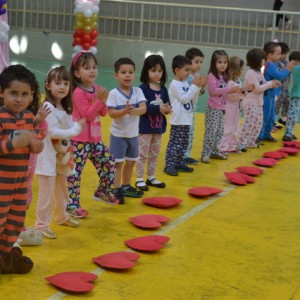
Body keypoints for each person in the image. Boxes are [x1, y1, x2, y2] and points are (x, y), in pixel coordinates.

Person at [35, 66, 85, 239]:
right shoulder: (48, 106)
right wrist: (76, 129)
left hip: (61, 158)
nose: (62, 87)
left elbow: (67, 129)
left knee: (62, 189)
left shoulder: (63, 108)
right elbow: (53, 132)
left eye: (66, 83)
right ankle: (41, 224)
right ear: (48, 86)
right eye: (58, 83)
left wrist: (76, 125)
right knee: (46, 193)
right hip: (47, 158)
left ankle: (62, 216)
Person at [67, 52, 119, 219]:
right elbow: (87, 116)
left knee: (110, 160)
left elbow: (103, 113)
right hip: (79, 141)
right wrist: (98, 100)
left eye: (94, 67)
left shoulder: (97, 89)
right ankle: (72, 205)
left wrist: (103, 100)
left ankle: (102, 191)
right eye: (86, 68)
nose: (92, 71)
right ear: (77, 73)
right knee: (75, 174)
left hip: (95, 140)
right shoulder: (78, 92)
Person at [0, 64, 44, 257]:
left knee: (16, 220)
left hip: (20, 183)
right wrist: (11, 142)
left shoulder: (28, 117)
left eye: (25, 94)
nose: (19, 99)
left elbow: (35, 145)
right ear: (2, 92)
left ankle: (5, 255)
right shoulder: (1, 116)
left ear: (32, 95)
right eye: (13, 93)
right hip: (2, 183)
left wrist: (36, 145)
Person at [107, 57, 147, 204]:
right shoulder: (113, 94)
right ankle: (116, 189)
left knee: (130, 162)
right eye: (123, 72)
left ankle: (126, 186)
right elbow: (111, 113)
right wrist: (124, 111)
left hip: (133, 135)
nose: (128, 75)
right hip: (118, 136)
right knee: (118, 163)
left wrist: (135, 110)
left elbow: (144, 108)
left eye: (130, 72)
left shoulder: (137, 92)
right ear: (116, 75)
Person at [135, 54, 171, 191]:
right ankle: (139, 178)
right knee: (142, 154)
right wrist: (157, 108)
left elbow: (166, 104)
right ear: (146, 71)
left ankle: (151, 176)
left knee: (155, 154)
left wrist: (167, 109)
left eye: (160, 71)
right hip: (145, 127)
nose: (157, 74)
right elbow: (142, 108)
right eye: (153, 70)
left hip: (158, 127)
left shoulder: (163, 89)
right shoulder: (142, 89)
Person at [201, 50, 242, 163]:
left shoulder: (224, 76)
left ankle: (215, 151)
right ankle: (205, 153)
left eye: (225, 62)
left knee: (219, 132)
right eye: (219, 62)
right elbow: (214, 91)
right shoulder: (211, 76)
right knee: (211, 131)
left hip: (222, 108)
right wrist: (230, 89)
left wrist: (238, 90)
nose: (223, 64)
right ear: (214, 63)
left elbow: (229, 89)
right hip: (213, 108)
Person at [164, 55, 202, 176]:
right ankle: (169, 165)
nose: (188, 73)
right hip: (178, 120)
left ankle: (179, 163)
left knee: (184, 143)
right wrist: (194, 86)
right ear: (177, 70)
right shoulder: (174, 84)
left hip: (187, 119)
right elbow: (184, 99)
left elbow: (192, 100)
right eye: (186, 70)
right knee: (175, 143)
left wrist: (198, 87)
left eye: (189, 70)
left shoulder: (185, 83)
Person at [239, 49, 281, 151]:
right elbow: (257, 89)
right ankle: (241, 143)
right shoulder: (250, 73)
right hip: (250, 103)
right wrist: (270, 84)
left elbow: (264, 83)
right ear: (257, 60)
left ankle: (251, 141)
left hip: (258, 102)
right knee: (249, 123)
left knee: (258, 123)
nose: (265, 61)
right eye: (263, 59)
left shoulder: (258, 72)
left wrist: (272, 82)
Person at [257, 41, 295, 144]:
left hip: (272, 95)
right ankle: (260, 136)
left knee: (271, 117)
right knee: (265, 116)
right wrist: (288, 69)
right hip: (267, 95)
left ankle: (266, 134)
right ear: (270, 54)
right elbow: (279, 76)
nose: (280, 56)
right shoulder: (269, 65)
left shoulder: (272, 64)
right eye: (278, 53)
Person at [218, 56, 247, 153]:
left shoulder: (238, 80)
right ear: (236, 69)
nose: (243, 70)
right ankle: (222, 147)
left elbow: (238, 92)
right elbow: (230, 97)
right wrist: (241, 91)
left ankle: (231, 145)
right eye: (241, 68)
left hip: (237, 107)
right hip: (229, 107)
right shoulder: (229, 82)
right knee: (228, 127)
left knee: (235, 126)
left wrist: (244, 91)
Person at [184, 48, 206, 165]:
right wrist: (196, 85)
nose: (199, 65)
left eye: (201, 62)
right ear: (188, 62)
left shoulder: (197, 75)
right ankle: (181, 155)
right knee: (185, 133)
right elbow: (186, 93)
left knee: (191, 133)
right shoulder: (186, 76)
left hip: (193, 109)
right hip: (185, 110)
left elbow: (199, 93)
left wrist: (202, 87)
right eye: (196, 62)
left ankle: (186, 154)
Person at [282, 51, 300, 141]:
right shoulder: (297, 68)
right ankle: (288, 134)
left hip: (297, 95)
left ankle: (290, 132)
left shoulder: (297, 67)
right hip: (296, 95)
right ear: (295, 61)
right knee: (292, 115)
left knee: (294, 115)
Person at [274, 42, 291, 129]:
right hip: (278, 89)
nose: (284, 56)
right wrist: (288, 68)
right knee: (277, 105)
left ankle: (283, 118)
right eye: (283, 54)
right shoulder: (276, 63)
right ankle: (272, 121)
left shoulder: (285, 62)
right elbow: (280, 73)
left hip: (285, 88)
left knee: (287, 102)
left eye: (285, 54)